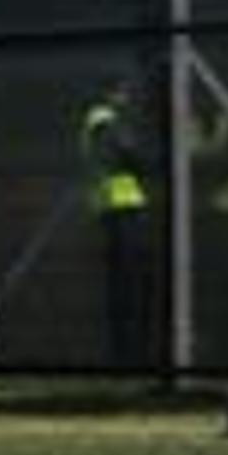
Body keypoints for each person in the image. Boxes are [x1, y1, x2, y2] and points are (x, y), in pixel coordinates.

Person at [77, 73, 152, 373]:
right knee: (126, 285)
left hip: (117, 206)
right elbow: (126, 154)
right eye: (122, 93)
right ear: (110, 94)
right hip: (120, 207)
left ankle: (128, 351)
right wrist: (143, 160)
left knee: (127, 283)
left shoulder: (101, 122)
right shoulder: (103, 121)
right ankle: (127, 355)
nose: (127, 98)